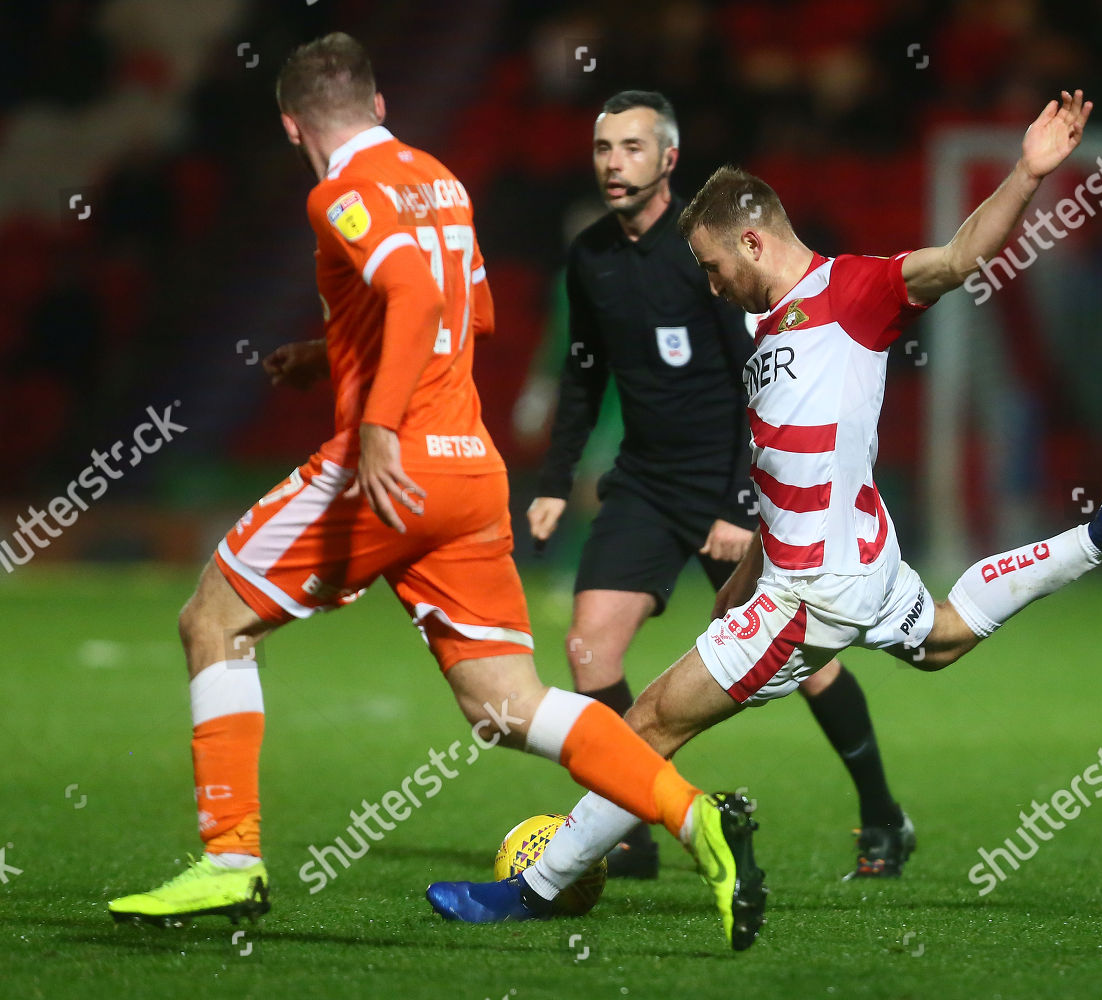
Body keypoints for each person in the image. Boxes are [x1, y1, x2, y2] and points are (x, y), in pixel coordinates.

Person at [426, 90, 1102, 936]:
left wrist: (1026, 173)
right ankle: (1097, 538)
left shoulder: (857, 291)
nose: (713, 285)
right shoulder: (767, 336)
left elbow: (954, 259)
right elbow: (784, 481)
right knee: (944, 637)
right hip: (858, 565)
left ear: (753, 240)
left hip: (812, 593)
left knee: (647, 725)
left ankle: (534, 891)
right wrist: (742, 575)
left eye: (715, 266)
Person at [106, 32, 765, 952]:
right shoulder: (439, 179)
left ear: (293, 124)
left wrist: (374, 422)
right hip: (468, 471)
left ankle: (228, 861)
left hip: (389, 467)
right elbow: (477, 311)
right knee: (508, 703)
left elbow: (414, 296)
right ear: (379, 106)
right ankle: (698, 822)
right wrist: (329, 354)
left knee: (211, 619)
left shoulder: (336, 192)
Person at [528, 90, 914, 880]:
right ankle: (628, 829)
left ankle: (881, 812)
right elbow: (583, 375)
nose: (613, 162)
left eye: (632, 147)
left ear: (669, 159)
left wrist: (744, 504)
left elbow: (760, 382)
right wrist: (555, 479)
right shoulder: (590, 256)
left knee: (815, 666)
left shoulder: (703, 258)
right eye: (603, 147)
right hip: (644, 481)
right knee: (587, 647)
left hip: (728, 486)